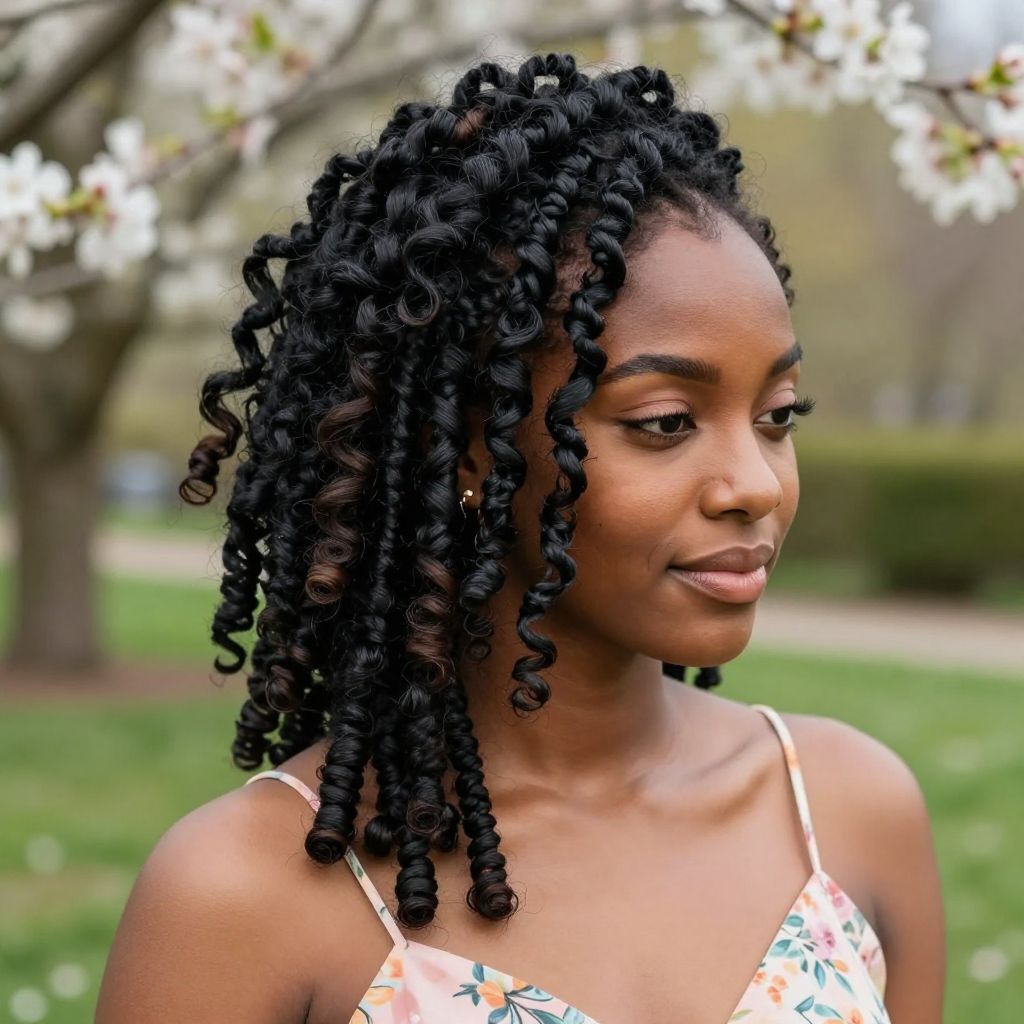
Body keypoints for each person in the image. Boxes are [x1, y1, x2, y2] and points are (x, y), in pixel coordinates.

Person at [96, 52, 945, 1024]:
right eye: (664, 421)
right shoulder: (242, 898)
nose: (753, 484)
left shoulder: (846, 812)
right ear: (466, 442)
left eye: (777, 414)